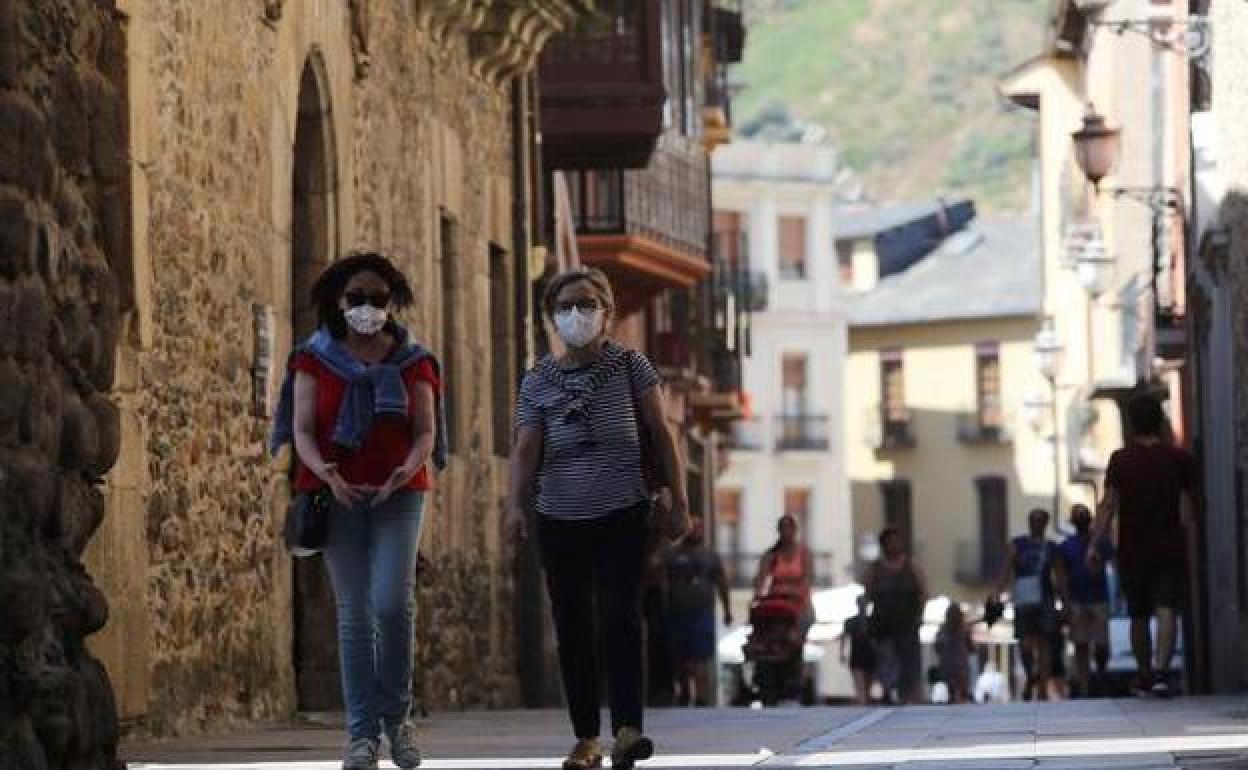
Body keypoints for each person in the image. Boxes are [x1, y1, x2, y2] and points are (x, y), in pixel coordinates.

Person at [505, 267, 690, 770]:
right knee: (572, 626)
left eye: (586, 304)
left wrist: (680, 499)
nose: (576, 315)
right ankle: (586, 738)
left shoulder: (632, 366)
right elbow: (525, 447)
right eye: (565, 307)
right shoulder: (538, 379)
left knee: (620, 617)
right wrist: (514, 508)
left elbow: (659, 432)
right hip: (558, 517)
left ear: (607, 312)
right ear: (551, 317)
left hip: (622, 514)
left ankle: (628, 729)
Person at [271, 252, 445, 770]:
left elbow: (426, 432)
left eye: (377, 298)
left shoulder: (414, 361)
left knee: (393, 606)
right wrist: (327, 474)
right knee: (354, 615)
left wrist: (402, 472)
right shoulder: (313, 358)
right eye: (356, 298)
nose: (367, 307)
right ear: (338, 301)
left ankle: (400, 720)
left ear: (392, 303)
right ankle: (361, 736)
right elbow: (301, 429)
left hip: (399, 493)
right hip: (337, 495)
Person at [1089, 392, 1196, 698]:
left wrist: (1094, 544)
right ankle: (1162, 672)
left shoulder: (1121, 460)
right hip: (1170, 547)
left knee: (1138, 614)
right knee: (1166, 610)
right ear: (1161, 422)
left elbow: (1109, 505)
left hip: (1134, 550)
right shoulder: (1180, 459)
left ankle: (1145, 674)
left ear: (1132, 424)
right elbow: (1187, 510)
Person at [995, 508, 1065, 702]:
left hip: (1046, 600)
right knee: (1025, 644)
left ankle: (1042, 689)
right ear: (1029, 522)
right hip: (1023, 599)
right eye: (1033, 519)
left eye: (1040, 520)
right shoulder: (1017, 544)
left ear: (1045, 523)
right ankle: (1031, 675)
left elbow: (1059, 576)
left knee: (1044, 644)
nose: (1036, 523)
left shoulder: (1051, 547)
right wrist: (997, 592)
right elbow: (1006, 568)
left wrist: (1065, 601)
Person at [665, 515, 733, 707]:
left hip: (701, 614)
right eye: (691, 526)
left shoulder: (711, 556)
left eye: (698, 527)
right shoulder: (671, 555)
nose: (694, 530)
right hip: (676, 614)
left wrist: (727, 609)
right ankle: (684, 693)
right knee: (681, 659)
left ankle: (702, 698)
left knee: (700, 658)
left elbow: (722, 583)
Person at [863, 527, 927, 705]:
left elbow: (923, 591)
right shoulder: (875, 569)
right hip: (884, 624)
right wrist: (865, 620)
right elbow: (866, 593)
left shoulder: (912, 566)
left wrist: (920, 615)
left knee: (909, 662)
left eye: (896, 540)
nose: (893, 544)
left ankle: (907, 694)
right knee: (886, 659)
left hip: (907, 622)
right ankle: (888, 690)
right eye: (890, 541)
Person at [1056, 503, 1114, 697]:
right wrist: (1065, 601)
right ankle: (1085, 687)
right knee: (1081, 645)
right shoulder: (1065, 547)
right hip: (1077, 601)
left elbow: (1112, 561)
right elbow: (1061, 575)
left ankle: (1100, 674)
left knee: (1101, 645)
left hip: (1098, 599)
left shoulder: (1101, 543)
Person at [753, 514, 815, 635]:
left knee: (807, 617)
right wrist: (758, 592)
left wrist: (800, 591)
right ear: (778, 530)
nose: (786, 531)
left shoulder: (804, 552)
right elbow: (761, 576)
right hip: (777, 597)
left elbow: (808, 577)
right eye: (783, 528)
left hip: (798, 599)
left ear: (795, 530)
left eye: (789, 528)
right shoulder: (771, 554)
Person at [839, 595, 877, 705]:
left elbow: (877, 640)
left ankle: (864, 703)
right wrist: (842, 652)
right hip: (858, 655)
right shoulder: (851, 621)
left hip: (869, 655)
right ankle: (863, 703)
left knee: (867, 687)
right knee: (861, 686)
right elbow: (844, 637)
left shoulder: (872, 621)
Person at [934, 603, 972, 704]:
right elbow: (971, 647)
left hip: (947, 665)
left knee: (951, 691)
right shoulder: (964, 630)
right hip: (961, 665)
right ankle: (962, 698)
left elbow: (937, 647)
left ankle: (953, 698)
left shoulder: (942, 629)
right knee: (962, 690)